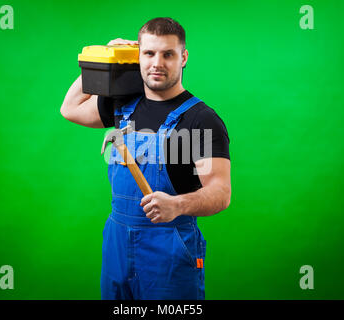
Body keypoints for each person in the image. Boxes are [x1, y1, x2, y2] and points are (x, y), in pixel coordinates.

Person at [60, 17, 231, 300]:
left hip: (169, 246)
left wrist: (177, 204)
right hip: (117, 242)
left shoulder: (201, 119)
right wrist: (103, 61)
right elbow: (70, 108)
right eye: (149, 53)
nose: (157, 63)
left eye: (168, 54)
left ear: (183, 57)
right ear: (138, 56)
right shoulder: (122, 104)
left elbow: (221, 193)